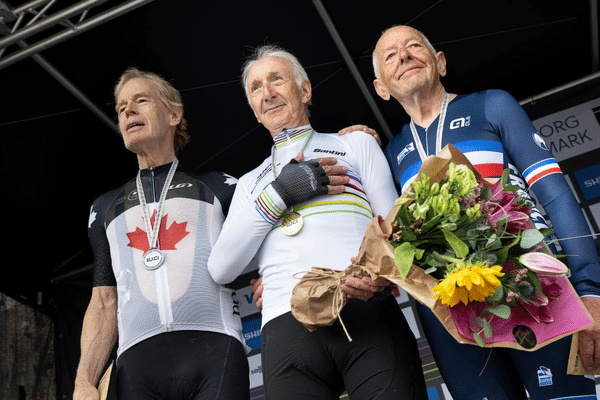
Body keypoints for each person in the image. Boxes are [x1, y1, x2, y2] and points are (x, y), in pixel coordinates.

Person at [367, 24, 600, 400]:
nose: (404, 56)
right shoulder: (391, 154)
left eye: (413, 46)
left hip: (531, 280)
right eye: (390, 56)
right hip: (448, 310)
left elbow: (555, 196)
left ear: (440, 63)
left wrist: (591, 291)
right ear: (381, 88)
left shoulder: (491, 104)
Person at [207, 45, 428, 399]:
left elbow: (392, 228)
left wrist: (380, 275)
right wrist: (280, 194)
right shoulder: (249, 183)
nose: (268, 93)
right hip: (285, 323)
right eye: (256, 88)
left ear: (305, 90)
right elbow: (221, 268)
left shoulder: (355, 143)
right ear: (254, 111)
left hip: (364, 307)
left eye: (277, 79)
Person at [73, 68, 250, 400]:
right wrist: (84, 380)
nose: (127, 110)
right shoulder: (105, 208)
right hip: (137, 366)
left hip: (216, 351)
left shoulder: (218, 187)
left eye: (141, 100)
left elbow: (264, 245)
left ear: (174, 114)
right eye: (121, 106)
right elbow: (103, 301)